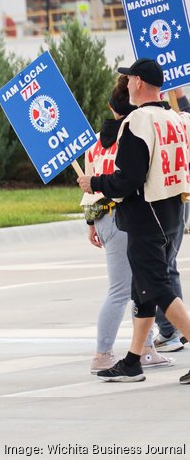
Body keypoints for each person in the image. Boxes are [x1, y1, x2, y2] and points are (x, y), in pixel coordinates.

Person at [78, 59, 190, 384]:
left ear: (138, 82)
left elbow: (128, 179)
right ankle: (133, 360)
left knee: (157, 287)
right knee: (141, 288)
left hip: (146, 215)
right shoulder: (174, 118)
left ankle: (135, 359)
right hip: (171, 213)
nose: (125, 84)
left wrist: (95, 184)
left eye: (128, 79)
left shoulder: (138, 121)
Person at [153, 87, 190, 353]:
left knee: (156, 271)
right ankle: (174, 329)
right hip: (178, 196)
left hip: (166, 199)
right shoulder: (177, 119)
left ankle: (171, 330)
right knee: (167, 266)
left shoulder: (158, 122)